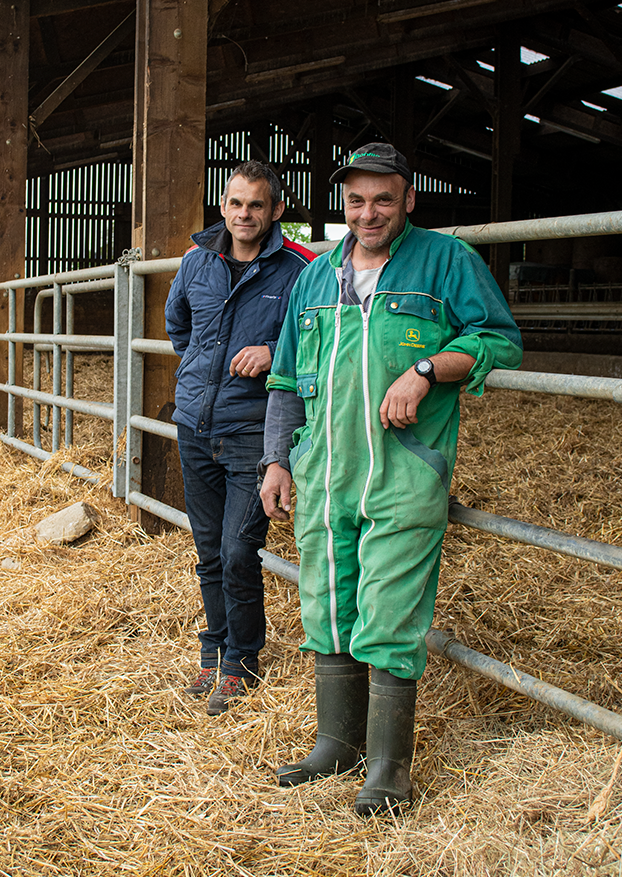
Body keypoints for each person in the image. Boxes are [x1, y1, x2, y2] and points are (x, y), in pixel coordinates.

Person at [259, 143, 523, 812]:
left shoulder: (446, 262)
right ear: (342, 203)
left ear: (408, 198)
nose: (368, 212)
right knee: (325, 600)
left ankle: (387, 768)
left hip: (405, 469)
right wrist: (277, 458)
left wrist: (429, 368)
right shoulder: (315, 278)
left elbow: (498, 337)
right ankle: (335, 745)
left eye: (382, 198)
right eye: (355, 199)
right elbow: (288, 377)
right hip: (324, 470)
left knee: (390, 608)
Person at [165, 160, 315, 715]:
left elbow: (321, 339)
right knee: (208, 551)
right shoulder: (196, 263)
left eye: (256, 205)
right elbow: (177, 324)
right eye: (234, 203)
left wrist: (276, 354)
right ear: (222, 206)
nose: (243, 214)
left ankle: (242, 660)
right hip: (196, 426)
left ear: (276, 209)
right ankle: (215, 651)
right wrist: (200, 376)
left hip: (255, 431)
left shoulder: (300, 270)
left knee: (236, 550)